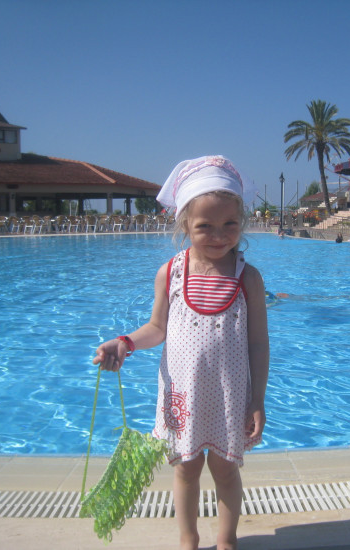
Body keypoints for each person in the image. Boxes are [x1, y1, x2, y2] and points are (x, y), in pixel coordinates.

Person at [93, 155, 269, 550]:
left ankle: (226, 541)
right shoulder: (171, 272)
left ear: (242, 223)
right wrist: (124, 342)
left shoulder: (248, 278)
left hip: (228, 396)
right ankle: (188, 540)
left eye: (230, 224)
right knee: (186, 470)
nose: (219, 235)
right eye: (205, 226)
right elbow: (157, 328)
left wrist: (257, 399)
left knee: (226, 470)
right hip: (182, 395)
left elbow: (258, 343)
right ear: (184, 224)